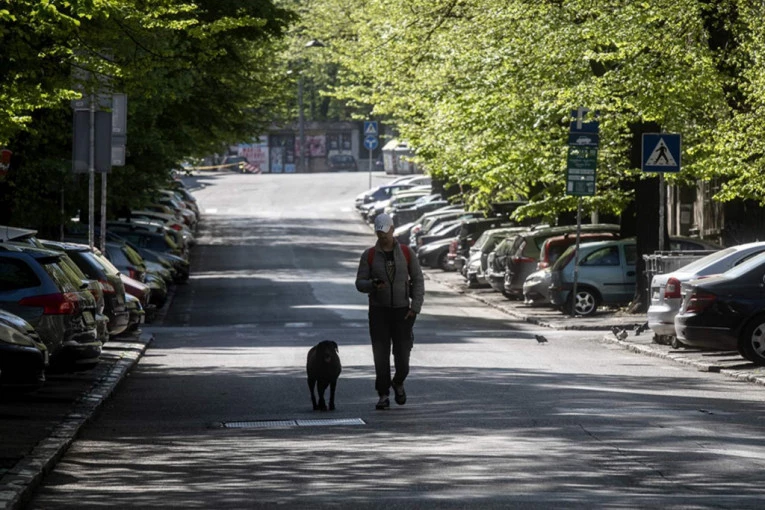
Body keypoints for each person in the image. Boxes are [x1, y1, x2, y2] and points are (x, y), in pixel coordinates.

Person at [356, 213, 425, 410]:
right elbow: (359, 283)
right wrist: (372, 284)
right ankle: (383, 394)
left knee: (403, 356)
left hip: (402, 312)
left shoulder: (406, 253)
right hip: (379, 312)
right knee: (381, 355)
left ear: (392, 230)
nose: (382, 237)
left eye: (385, 233)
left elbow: (418, 279)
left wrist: (415, 307)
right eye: (379, 233)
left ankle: (398, 381)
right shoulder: (369, 255)